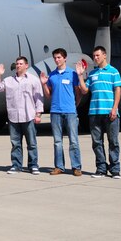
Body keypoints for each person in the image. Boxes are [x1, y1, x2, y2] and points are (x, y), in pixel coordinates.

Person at [76, 46, 121, 179]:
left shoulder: (113, 72)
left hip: (110, 112)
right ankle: (101, 168)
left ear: (104, 55)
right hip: (94, 113)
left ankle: (115, 169)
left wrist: (115, 108)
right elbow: (85, 90)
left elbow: (118, 90)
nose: (95, 58)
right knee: (97, 142)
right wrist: (80, 75)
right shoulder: (92, 74)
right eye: (94, 56)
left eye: (97, 55)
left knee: (113, 141)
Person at [0, 57, 44, 175]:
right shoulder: (9, 80)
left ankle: (33, 165)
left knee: (31, 143)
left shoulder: (33, 80)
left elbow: (39, 98)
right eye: (17, 64)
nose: (18, 66)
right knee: (15, 143)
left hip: (28, 116)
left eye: (21, 64)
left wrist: (38, 114)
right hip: (13, 116)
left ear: (26, 65)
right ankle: (16, 165)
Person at [40, 48, 82, 176]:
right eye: (55, 58)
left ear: (65, 58)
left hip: (70, 112)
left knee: (73, 140)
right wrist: (43, 84)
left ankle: (76, 167)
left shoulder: (72, 74)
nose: (57, 60)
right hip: (55, 111)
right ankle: (59, 167)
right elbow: (48, 95)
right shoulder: (52, 75)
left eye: (59, 57)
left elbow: (78, 92)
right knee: (57, 141)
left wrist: (75, 105)